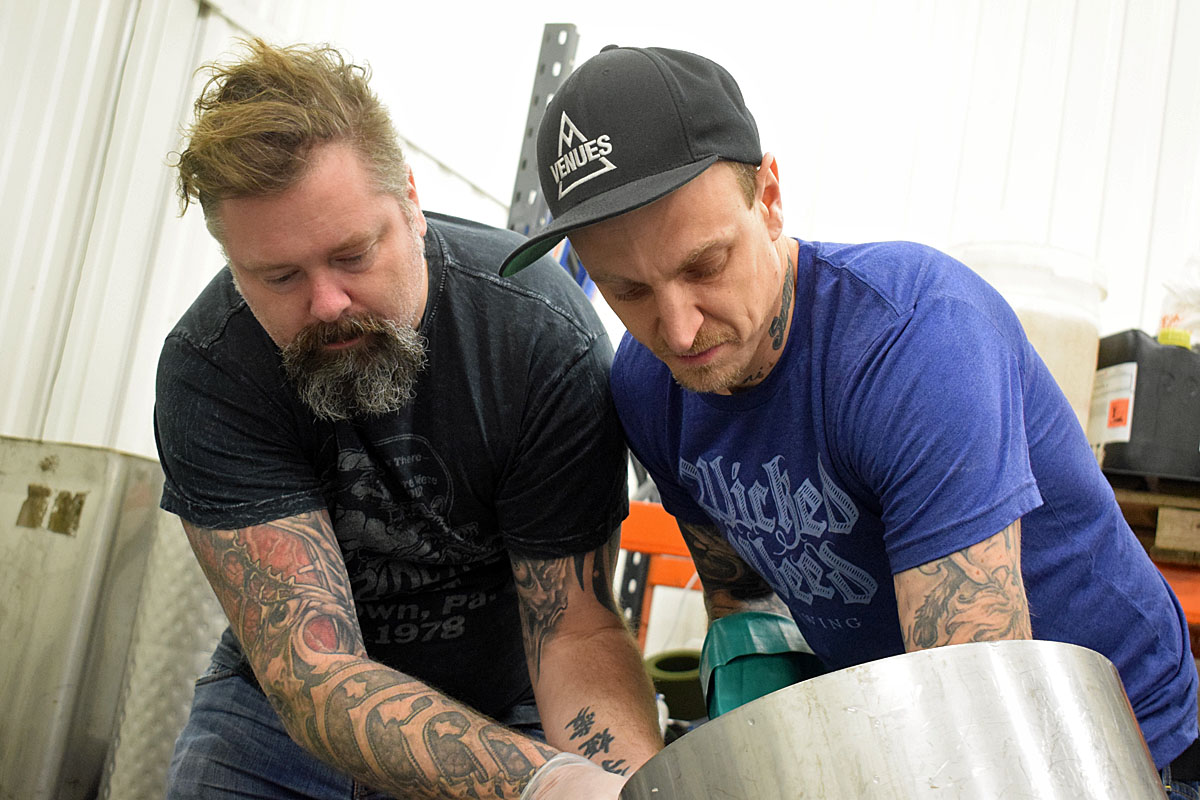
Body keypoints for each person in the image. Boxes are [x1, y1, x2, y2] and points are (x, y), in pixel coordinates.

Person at [499, 44, 1200, 795]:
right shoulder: (649, 387)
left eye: (705, 266)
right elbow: (739, 589)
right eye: (628, 291)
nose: (678, 330)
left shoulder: (914, 343)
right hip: (896, 733)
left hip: (1108, 745)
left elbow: (973, 705)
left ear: (769, 198)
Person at [155, 39, 662, 800]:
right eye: (280, 276)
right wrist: (541, 789)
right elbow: (314, 673)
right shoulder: (213, 366)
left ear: (412, 205)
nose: (327, 303)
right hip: (280, 722)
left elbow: (574, 631)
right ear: (234, 265)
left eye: (353, 254)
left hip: (513, 710)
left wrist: (610, 788)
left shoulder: (536, 337)